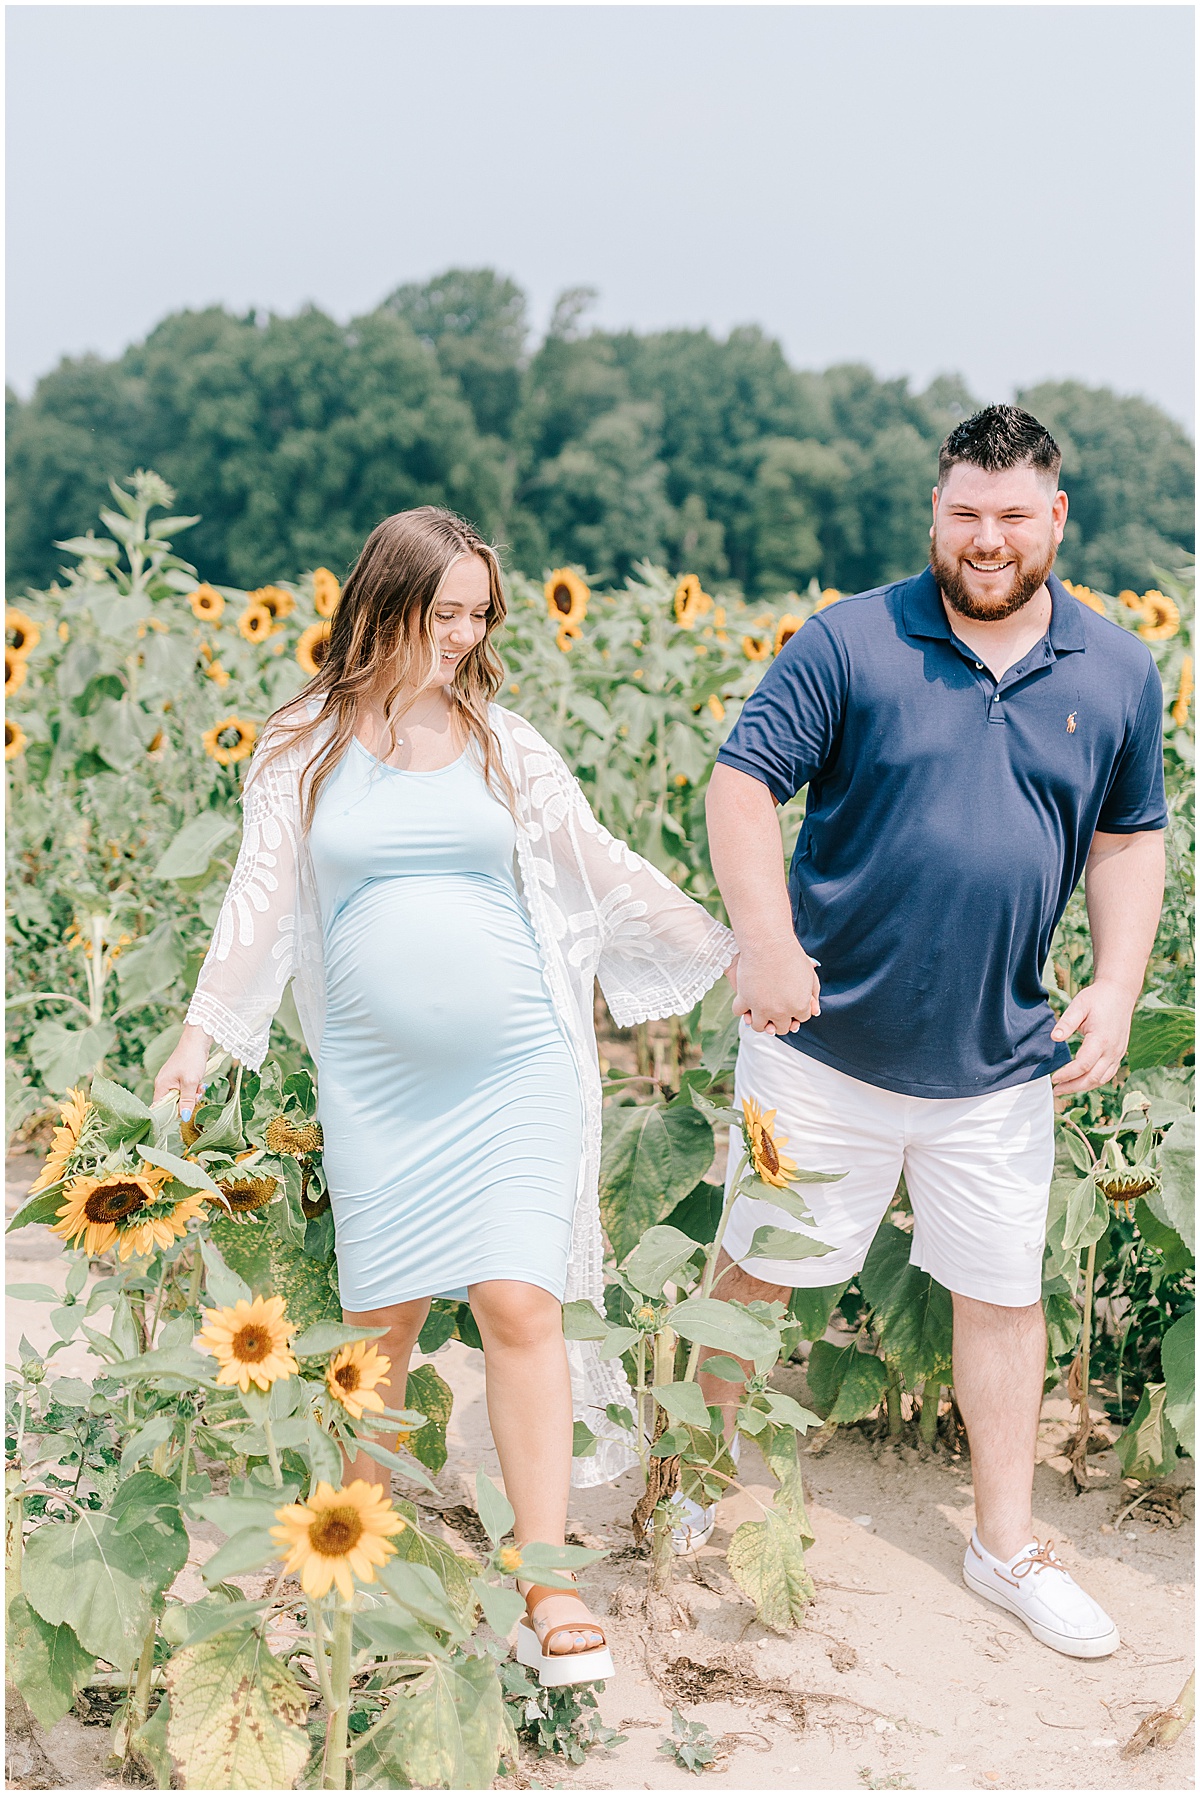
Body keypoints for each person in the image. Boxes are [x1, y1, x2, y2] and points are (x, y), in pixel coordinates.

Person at [155, 507, 735, 1684]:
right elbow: (258, 899)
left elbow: (596, 862)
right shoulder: (302, 743)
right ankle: (347, 1562)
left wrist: (744, 947)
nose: (467, 635)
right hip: (377, 1083)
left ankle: (547, 1576)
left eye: (480, 613)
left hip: (518, 1062)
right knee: (385, 1329)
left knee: (520, 1302)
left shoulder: (502, 741)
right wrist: (202, 1033)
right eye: (447, 612)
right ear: (386, 602)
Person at [698, 405, 1166, 1659]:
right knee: (759, 1263)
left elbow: (1128, 836)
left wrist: (1117, 984)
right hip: (821, 1048)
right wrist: (765, 935)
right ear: (936, 511)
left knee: (1006, 1296)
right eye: (966, 511)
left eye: (1014, 515)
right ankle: (692, 1478)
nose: (989, 538)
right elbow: (742, 783)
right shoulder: (852, 641)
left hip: (999, 1056)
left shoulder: (1119, 671)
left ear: (1055, 517)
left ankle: (1004, 1541)